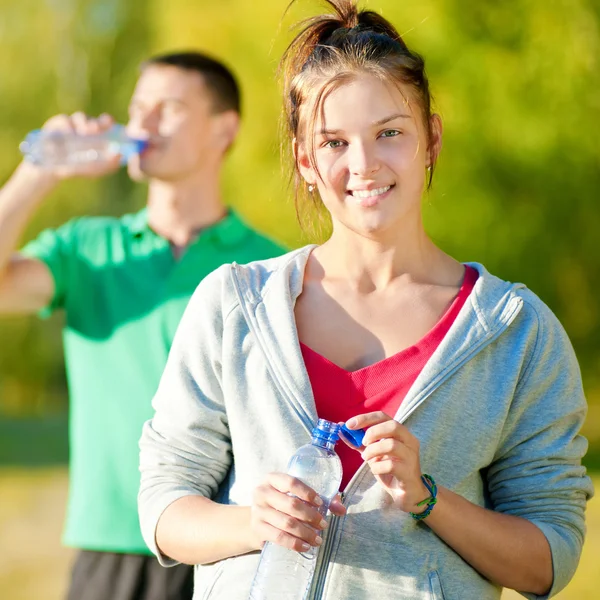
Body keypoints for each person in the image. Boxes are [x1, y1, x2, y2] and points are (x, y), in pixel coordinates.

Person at [138, 3, 593, 599]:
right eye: (333, 142)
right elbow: (163, 506)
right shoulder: (232, 306)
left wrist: (428, 499)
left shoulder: (517, 332)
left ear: (430, 139)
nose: (363, 164)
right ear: (306, 161)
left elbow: (550, 558)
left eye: (390, 133)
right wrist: (253, 521)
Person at [0, 51, 285, 600]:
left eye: (169, 108)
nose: (144, 124)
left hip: (225, 547)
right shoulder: (87, 250)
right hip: (108, 551)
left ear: (224, 130)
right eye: (138, 108)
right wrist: (39, 172)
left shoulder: (268, 271)